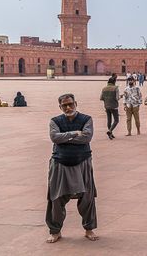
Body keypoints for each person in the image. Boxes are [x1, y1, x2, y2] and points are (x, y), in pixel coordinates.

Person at [46, 93, 98, 243]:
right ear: (60, 107)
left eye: (70, 104)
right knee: (56, 198)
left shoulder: (86, 119)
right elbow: (54, 137)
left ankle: (89, 229)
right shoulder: (55, 121)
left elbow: (87, 137)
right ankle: (55, 231)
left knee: (87, 198)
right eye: (64, 105)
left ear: (76, 103)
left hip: (82, 162)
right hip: (60, 163)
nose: (68, 107)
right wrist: (75, 133)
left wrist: (65, 137)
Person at [99, 76, 119, 140]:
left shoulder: (104, 88)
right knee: (116, 120)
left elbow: (101, 98)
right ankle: (110, 131)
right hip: (114, 106)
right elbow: (117, 98)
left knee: (109, 120)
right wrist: (121, 96)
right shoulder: (116, 88)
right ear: (114, 82)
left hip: (107, 106)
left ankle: (110, 133)